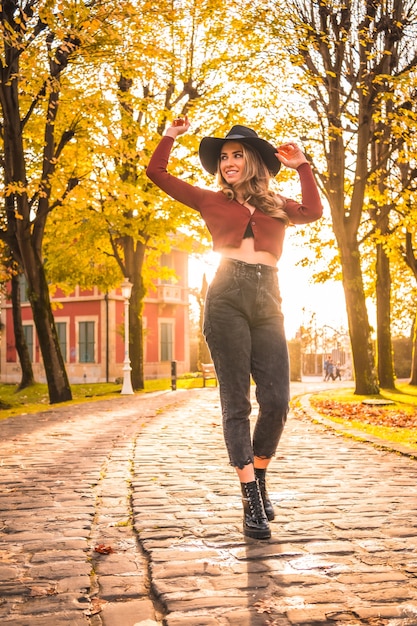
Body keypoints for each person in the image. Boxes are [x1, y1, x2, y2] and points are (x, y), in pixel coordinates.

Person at [146, 118, 323, 540]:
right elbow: (157, 173)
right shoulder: (209, 200)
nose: (228, 162)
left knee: (278, 399)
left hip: (268, 299)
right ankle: (249, 497)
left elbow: (314, 212)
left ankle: (260, 477)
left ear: (255, 161)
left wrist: (303, 166)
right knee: (236, 401)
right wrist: (170, 135)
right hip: (225, 296)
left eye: (237, 154)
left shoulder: (276, 204)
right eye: (223, 156)